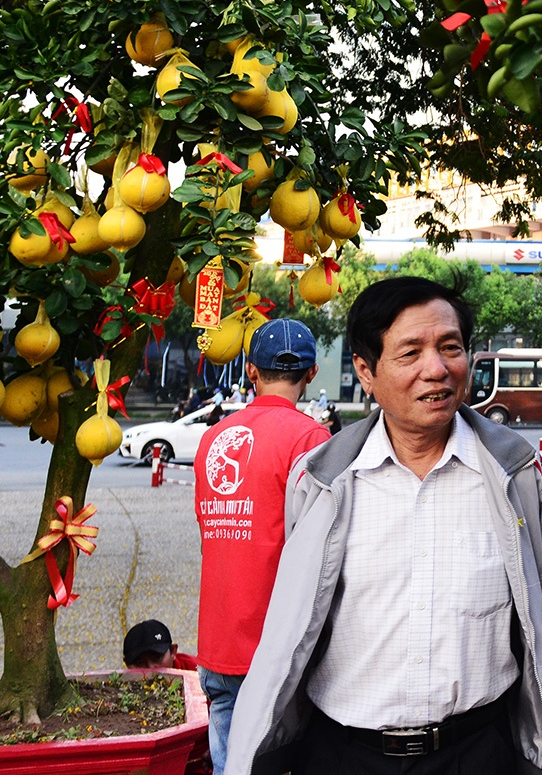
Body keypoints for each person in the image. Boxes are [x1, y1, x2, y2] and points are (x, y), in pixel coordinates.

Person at [225, 277, 542, 775]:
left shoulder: (514, 472)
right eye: (411, 353)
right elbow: (297, 616)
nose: (437, 369)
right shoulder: (322, 480)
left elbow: (532, 603)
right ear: (366, 371)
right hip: (343, 756)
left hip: (477, 752)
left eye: (450, 348)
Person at [194, 320, 331, 775]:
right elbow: (321, 551)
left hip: (217, 643)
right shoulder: (310, 440)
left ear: (251, 371)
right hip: (275, 650)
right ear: (311, 374)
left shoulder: (213, 438)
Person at [124, 619, 198, 671]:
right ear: (127, 664)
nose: (151, 668)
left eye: (157, 657)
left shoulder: (198, 672)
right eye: (140, 663)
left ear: (173, 652)